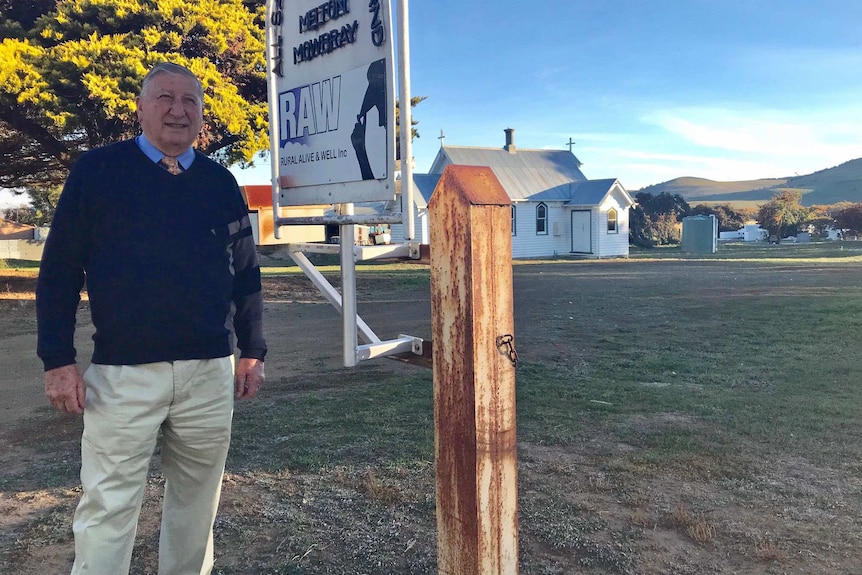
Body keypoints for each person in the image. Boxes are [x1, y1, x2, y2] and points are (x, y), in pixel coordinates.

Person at [36, 62, 267, 575]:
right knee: (108, 506)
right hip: (123, 375)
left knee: (198, 504)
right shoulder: (96, 171)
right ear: (139, 108)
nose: (178, 110)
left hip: (208, 371)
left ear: (202, 115)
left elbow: (245, 272)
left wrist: (252, 350)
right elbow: (58, 271)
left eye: (190, 102)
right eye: (164, 98)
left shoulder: (220, 182)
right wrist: (57, 359)